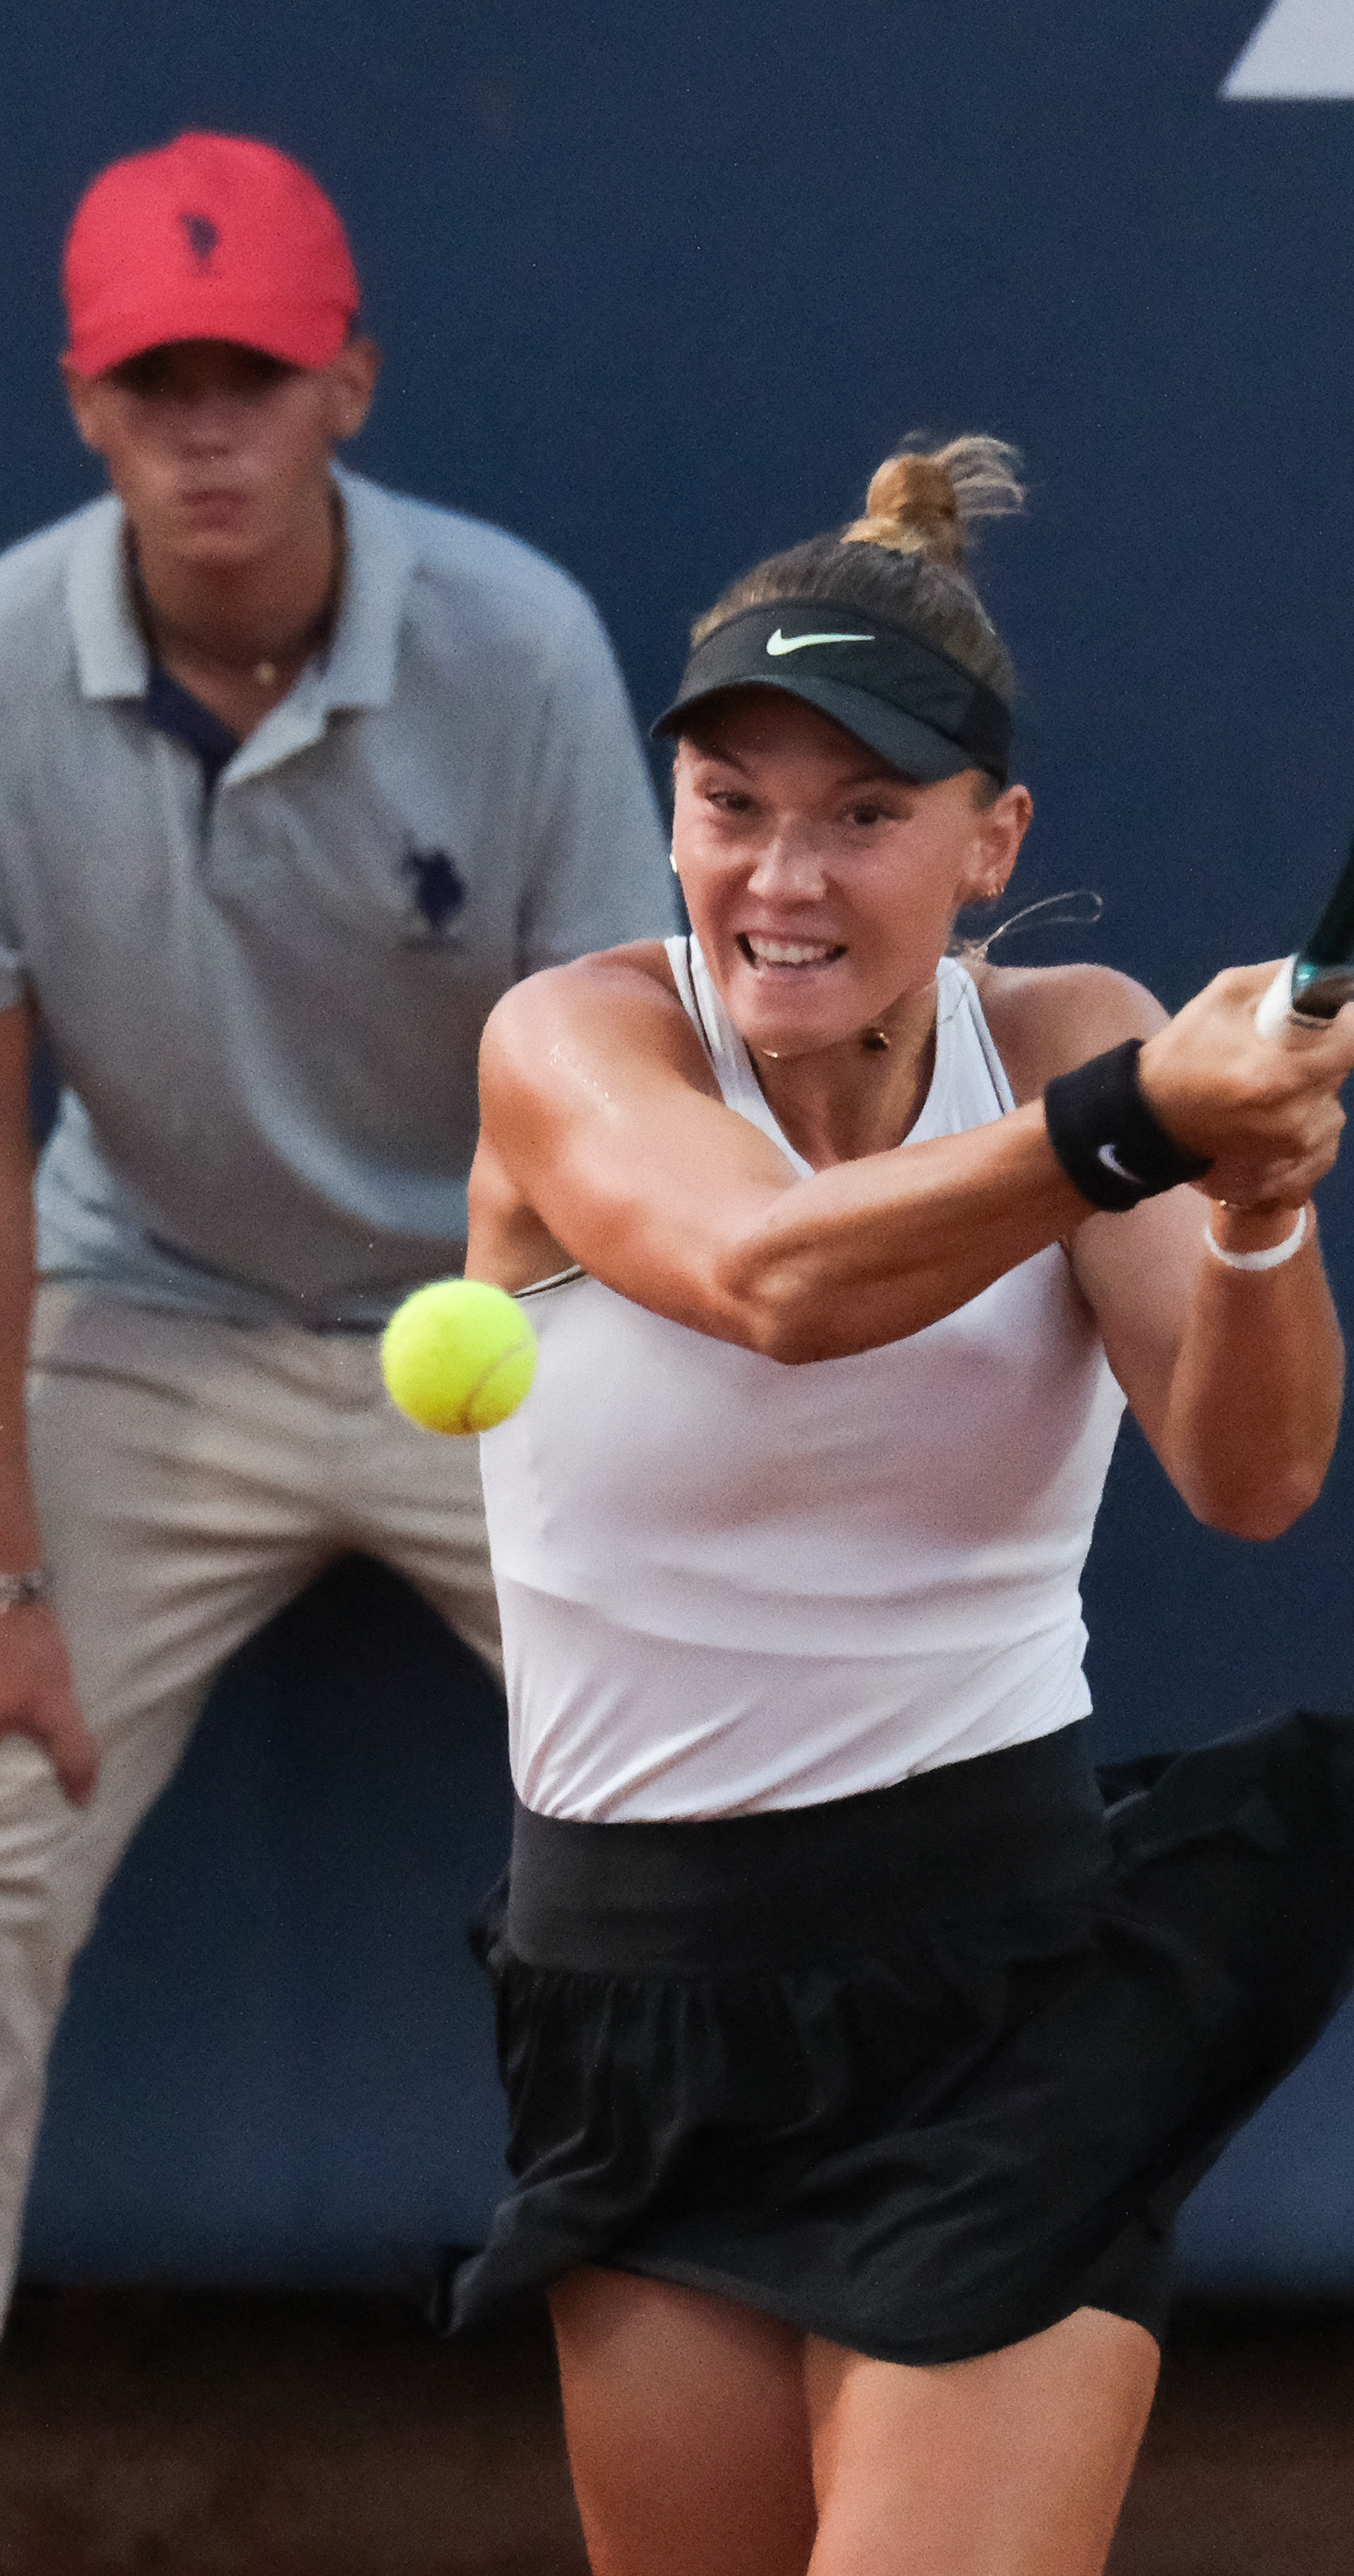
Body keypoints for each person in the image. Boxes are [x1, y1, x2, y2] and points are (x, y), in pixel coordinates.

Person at [456, 435, 1354, 2576]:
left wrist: (1253, 1210)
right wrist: (1135, 1134)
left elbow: (1252, 1473)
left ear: (992, 841)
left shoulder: (1068, 1038)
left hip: (1006, 2003)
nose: (783, 875)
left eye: (862, 814)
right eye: (734, 805)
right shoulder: (576, 1045)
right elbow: (773, 1280)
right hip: (640, 2009)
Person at [0, 131, 675, 2319]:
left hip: (503, 1315)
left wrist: (578, 1384)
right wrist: (6, 1573)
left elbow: (625, 1096)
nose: (209, 432)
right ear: (86, 401)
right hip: (141, 1320)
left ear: (349, 387)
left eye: (257, 377)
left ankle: (844, 2435)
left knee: (751, 1829)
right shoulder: (2, 662)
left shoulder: (519, 644)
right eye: (159, 381)